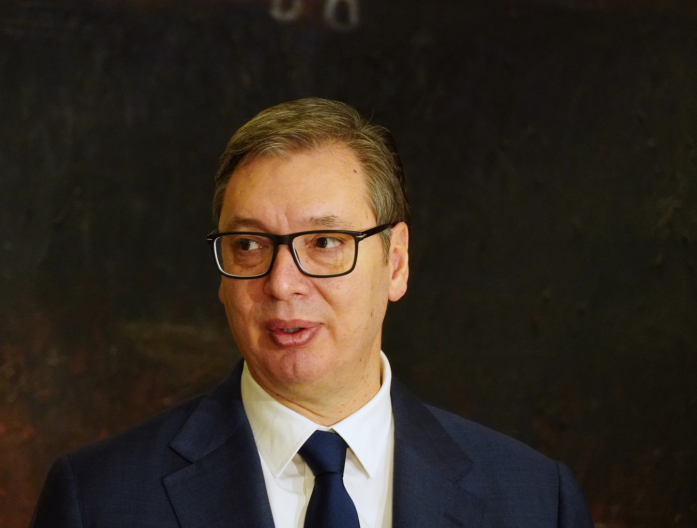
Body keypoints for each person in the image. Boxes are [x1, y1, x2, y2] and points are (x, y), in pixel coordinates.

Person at [30, 98, 594, 528]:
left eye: (324, 242)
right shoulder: (98, 500)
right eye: (249, 245)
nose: (281, 284)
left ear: (396, 263)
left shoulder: (536, 501)